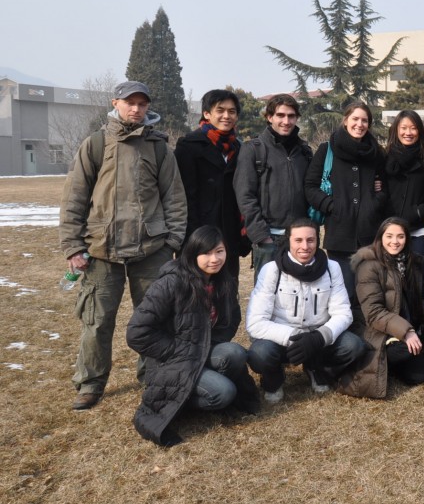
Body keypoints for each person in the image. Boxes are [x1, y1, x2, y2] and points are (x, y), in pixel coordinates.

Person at [59, 80, 186, 410]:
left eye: (142, 104)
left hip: (151, 250)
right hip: (102, 251)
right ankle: (90, 383)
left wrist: (171, 242)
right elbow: (74, 198)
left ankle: (154, 375)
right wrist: (73, 246)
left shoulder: (159, 147)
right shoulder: (96, 144)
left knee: (154, 319)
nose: (136, 109)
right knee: (97, 321)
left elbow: (174, 198)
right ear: (115, 102)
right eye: (130, 102)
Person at [126, 226, 260, 447]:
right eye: (206, 253)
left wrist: (209, 343)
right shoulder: (171, 282)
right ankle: (181, 400)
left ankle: (197, 384)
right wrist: (177, 350)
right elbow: (137, 332)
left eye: (219, 251)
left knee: (235, 352)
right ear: (192, 253)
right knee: (224, 393)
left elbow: (231, 319)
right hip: (171, 360)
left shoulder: (223, 280)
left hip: (201, 350)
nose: (214, 259)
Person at [246, 218, 369, 403]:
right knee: (259, 354)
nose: (305, 246)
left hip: (318, 339)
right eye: (298, 240)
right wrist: (296, 337)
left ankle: (316, 368)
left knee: (354, 346)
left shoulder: (332, 267)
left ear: (317, 241)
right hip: (283, 339)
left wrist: (318, 338)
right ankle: (274, 377)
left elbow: (343, 313)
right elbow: (255, 323)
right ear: (289, 241)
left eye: (310, 240)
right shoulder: (271, 270)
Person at [305, 101, 386, 303]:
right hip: (339, 234)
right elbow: (310, 186)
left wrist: (374, 204)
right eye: (355, 119)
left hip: (369, 235)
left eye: (365, 120)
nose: (360, 124)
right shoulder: (327, 150)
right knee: (342, 294)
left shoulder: (376, 152)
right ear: (345, 120)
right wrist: (332, 207)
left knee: (370, 294)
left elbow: (386, 186)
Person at [234, 93, 313, 282]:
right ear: (270, 117)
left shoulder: (304, 151)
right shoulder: (253, 149)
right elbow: (245, 196)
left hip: (299, 239)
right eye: (280, 115)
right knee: (267, 298)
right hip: (268, 239)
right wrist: (261, 236)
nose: (286, 121)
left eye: (291, 116)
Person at [351, 217, 424, 397]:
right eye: (389, 236)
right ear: (380, 238)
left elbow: (417, 302)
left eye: (400, 236)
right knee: (409, 353)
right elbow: (374, 313)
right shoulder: (368, 266)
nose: (395, 242)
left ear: (407, 239)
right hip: (376, 330)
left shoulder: (410, 262)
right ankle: (383, 359)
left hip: (403, 326)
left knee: (420, 376)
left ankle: (398, 361)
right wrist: (407, 332)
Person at [175, 89, 246, 282]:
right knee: (195, 293)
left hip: (228, 235)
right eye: (220, 110)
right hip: (197, 235)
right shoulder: (188, 146)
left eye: (232, 111)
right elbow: (183, 197)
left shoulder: (239, 148)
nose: (226, 116)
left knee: (228, 293)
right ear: (207, 113)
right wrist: (191, 237)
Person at [383, 110, 424, 263]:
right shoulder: (384, 157)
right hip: (389, 230)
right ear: (396, 129)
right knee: (390, 280)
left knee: (417, 281)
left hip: (418, 230)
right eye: (404, 128)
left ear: (420, 131)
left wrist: (417, 212)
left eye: (413, 128)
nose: (408, 133)